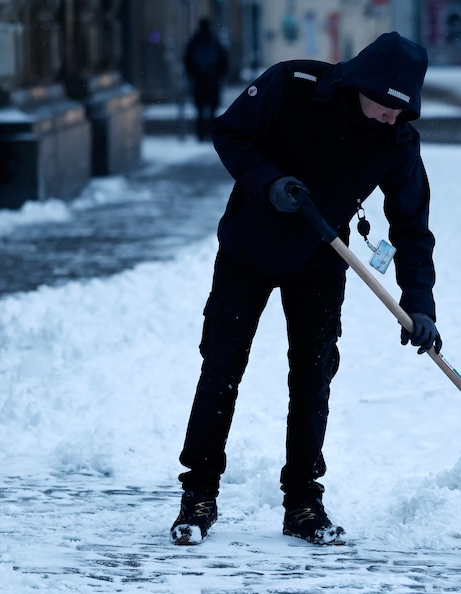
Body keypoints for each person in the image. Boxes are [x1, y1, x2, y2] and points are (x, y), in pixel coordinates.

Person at [169, 32, 441, 546]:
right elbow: (230, 133)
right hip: (247, 250)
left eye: (401, 112)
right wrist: (270, 182)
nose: (390, 117)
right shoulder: (293, 84)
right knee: (222, 367)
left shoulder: (397, 138)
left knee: (313, 378)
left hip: (319, 260)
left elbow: (412, 228)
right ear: (365, 83)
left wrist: (419, 304)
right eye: (385, 105)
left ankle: (302, 502)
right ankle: (198, 495)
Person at [183, 18, 229, 141]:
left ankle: (201, 135)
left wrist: (194, 74)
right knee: (213, 109)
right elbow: (223, 61)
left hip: (200, 80)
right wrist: (218, 74)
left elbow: (187, 61)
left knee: (200, 110)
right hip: (212, 80)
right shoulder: (214, 41)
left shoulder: (195, 41)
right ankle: (211, 133)